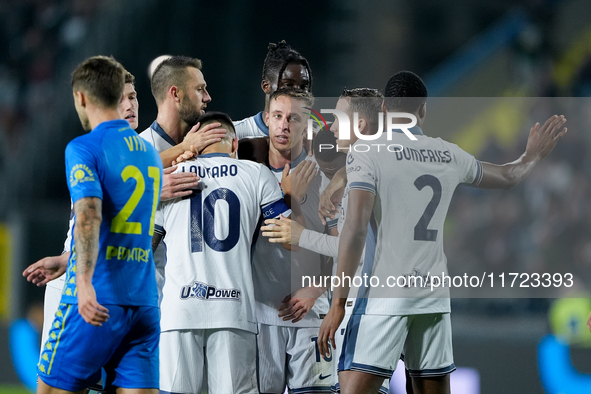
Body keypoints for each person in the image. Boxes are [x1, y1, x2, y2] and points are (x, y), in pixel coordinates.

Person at [318, 71, 567, 394]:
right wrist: (531, 155)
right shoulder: (447, 153)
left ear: (383, 109)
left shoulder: (367, 153)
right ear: (423, 110)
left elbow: (354, 232)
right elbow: (508, 176)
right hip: (432, 297)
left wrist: (338, 305)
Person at [37, 55, 162, 394]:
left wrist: (84, 283)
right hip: (144, 300)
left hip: (98, 293)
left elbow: (90, 214)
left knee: (50, 389)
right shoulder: (148, 153)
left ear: (81, 97)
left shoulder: (83, 147)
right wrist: (65, 259)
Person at [261, 88, 389, 394]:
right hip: (362, 306)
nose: (330, 128)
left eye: (338, 120)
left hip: (360, 308)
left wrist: (300, 233)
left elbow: (352, 250)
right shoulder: (359, 169)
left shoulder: (364, 175)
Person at [153, 111, 291, 394]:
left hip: (180, 310)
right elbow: (289, 238)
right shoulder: (256, 174)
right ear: (234, 144)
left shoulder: (170, 178)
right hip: (233, 309)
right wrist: (291, 197)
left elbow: (145, 249)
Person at [24, 70, 140, 359]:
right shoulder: (91, 151)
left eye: (133, 97)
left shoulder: (143, 151)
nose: (130, 106)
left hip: (116, 284)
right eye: (120, 99)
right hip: (77, 281)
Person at [251, 88, 332, 394]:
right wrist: (289, 199)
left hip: (311, 314)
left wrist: (316, 288)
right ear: (267, 119)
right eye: (278, 116)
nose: (284, 125)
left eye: (294, 118)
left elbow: (347, 245)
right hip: (262, 315)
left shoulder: (328, 176)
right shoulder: (248, 175)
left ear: (307, 123)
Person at [139, 55, 227, 301]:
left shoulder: (209, 147)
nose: (208, 97)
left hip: (201, 298)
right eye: (200, 89)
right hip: (151, 300)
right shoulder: (137, 148)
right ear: (175, 94)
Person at [234, 40, 312, 140]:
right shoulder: (235, 133)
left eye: (303, 86)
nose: (297, 92)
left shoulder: (323, 136)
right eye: (288, 85)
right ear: (266, 86)